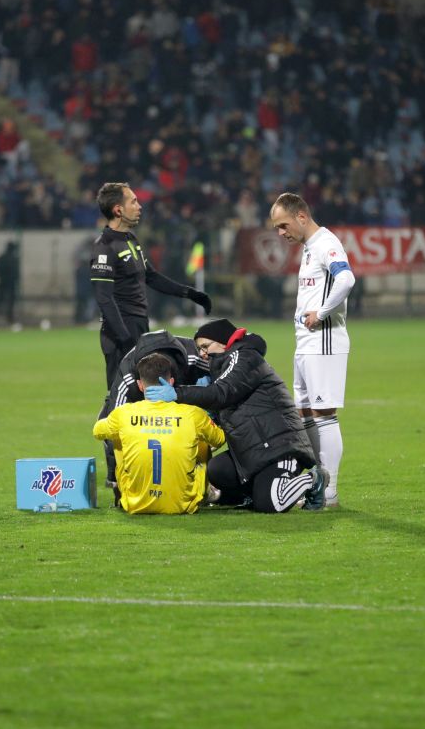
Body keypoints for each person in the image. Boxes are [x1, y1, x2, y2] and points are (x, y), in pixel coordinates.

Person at [145, 318, 322, 513]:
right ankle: (252, 493)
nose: (203, 354)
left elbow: (222, 393)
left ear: (222, 341)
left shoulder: (244, 357)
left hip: (278, 447)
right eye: (200, 349)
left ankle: (314, 479)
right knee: (217, 470)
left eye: (205, 347)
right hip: (254, 447)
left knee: (271, 504)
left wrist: (178, 393)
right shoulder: (224, 366)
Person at [269, 192, 355, 508]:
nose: (281, 233)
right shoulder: (308, 249)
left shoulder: (326, 243)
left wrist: (321, 312)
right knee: (304, 412)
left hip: (324, 342)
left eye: (283, 225)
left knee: (323, 414)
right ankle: (318, 482)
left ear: (301, 216)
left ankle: (329, 491)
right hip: (305, 344)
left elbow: (346, 279)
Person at [90, 182, 212, 390]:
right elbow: (104, 298)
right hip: (119, 330)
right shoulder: (105, 247)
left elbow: (151, 277)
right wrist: (126, 340)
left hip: (138, 326)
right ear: (118, 210)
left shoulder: (131, 240)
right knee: (121, 394)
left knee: (142, 393)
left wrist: (189, 293)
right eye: (133, 201)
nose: (139, 206)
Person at [93, 353, 225, 514]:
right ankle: (205, 491)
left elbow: (97, 431)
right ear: (171, 382)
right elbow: (219, 439)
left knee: (118, 437)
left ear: (140, 385)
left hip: (135, 504)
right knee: (201, 437)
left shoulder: (124, 413)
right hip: (184, 505)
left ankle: (126, 492)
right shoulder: (192, 413)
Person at [0, 241, 20, 324]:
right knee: (10, 302)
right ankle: (9, 318)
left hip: (3, 282)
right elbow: (16, 272)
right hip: (10, 283)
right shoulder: (14, 259)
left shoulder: (1, 257)